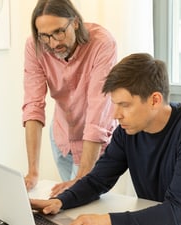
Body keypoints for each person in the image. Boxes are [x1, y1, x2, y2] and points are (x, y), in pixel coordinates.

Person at [30, 53, 181, 225]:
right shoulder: (128, 131)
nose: (116, 115)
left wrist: (107, 221)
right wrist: (60, 202)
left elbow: (176, 212)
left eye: (125, 105)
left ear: (155, 100)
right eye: (115, 104)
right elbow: (97, 181)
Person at [22, 0, 117, 196]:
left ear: (74, 22)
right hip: (62, 139)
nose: (54, 42)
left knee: (85, 201)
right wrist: (33, 172)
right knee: (69, 208)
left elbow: (98, 114)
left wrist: (82, 179)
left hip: (95, 142)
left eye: (59, 31)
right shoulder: (35, 46)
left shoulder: (102, 43)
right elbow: (33, 105)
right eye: (45, 36)